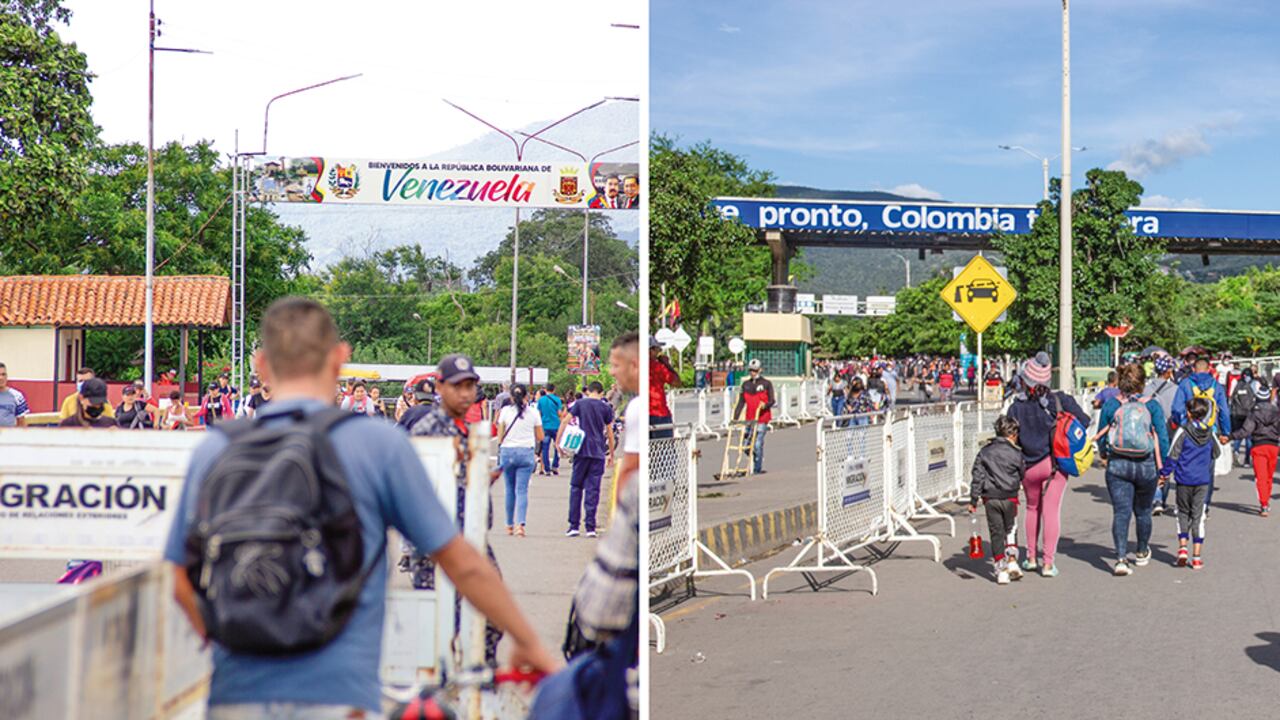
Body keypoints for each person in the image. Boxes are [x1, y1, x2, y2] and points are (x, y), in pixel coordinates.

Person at [165, 297, 557, 718]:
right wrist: (528, 640)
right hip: (342, 697)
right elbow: (463, 562)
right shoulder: (375, 445)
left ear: (261, 365)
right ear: (340, 358)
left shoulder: (215, 448)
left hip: (233, 695)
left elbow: (176, 577)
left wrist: (222, 636)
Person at [408, 353, 506, 666]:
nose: (465, 393)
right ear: (440, 387)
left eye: (470, 386)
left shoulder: (464, 428)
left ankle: (479, 680)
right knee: (438, 631)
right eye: (457, 386)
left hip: (472, 538)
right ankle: (440, 698)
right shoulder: (429, 429)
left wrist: (479, 481)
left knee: (492, 617)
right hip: (438, 546)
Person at [1005, 352, 1090, 578]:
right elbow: (1085, 421)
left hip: (1027, 467)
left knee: (1032, 509)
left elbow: (1009, 436)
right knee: (1051, 511)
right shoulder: (1060, 401)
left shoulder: (1016, 408)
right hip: (1054, 466)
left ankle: (1031, 558)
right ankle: (1048, 563)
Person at [1095, 363, 1170, 576]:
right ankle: (1141, 550)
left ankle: (1120, 558)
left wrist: (1104, 455)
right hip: (1146, 465)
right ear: (1143, 382)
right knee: (1143, 511)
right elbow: (1162, 439)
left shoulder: (1111, 405)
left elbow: (1102, 433)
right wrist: (1162, 467)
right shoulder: (1152, 406)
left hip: (1118, 464)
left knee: (1121, 512)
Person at [968, 415, 1027, 585]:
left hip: (990, 497)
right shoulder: (1016, 453)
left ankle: (1001, 570)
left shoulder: (985, 452)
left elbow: (977, 476)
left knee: (996, 532)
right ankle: (1012, 561)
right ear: (1013, 434)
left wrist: (973, 499)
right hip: (1010, 497)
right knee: (1011, 528)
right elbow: (1022, 472)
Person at [1161, 397, 1218, 569]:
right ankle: (1197, 556)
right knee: (1198, 516)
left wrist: (1164, 474)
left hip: (1184, 478)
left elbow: (1173, 455)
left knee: (1183, 513)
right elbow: (1217, 453)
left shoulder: (1183, 432)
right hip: (1202, 480)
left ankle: (1183, 548)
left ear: (1188, 413)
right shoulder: (1209, 433)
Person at [1170, 355, 1231, 512]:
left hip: (1188, 431)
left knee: (1184, 464)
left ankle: (1185, 504)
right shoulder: (1216, 386)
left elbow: (1176, 409)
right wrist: (1225, 432)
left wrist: (1183, 423)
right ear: (1209, 369)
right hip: (1209, 432)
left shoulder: (1185, 384)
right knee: (1207, 470)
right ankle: (1203, 505)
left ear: (1194, 369)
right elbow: (1224, 411)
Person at [561, 381, 615, 538]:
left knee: (576, 487)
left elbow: (565, 421)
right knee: (593, 490)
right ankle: (590, 527)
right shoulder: (606, 408)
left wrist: (559, 442)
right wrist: (611, 453)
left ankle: (573, 526)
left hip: (580, 451)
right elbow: (609, 432)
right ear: (601, 392)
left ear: (589, 391)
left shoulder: (579, 404)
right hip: (597, 452)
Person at [498, 384, 543, 536]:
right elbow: (540, 437)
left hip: (508, 452)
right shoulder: (534, 412)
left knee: (509, 489)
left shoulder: (505, 412)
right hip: (526, 453)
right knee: (522, 490)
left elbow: (500, 435)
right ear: (526, 397)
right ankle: (520, 526)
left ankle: (509, 525)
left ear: (511, 397)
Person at [1230, 382, 1280, 516]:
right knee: (1269, 476)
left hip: (1258, 446)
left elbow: (1245, 431)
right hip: (1274, 446)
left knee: (1261, 477)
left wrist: (1230, 437)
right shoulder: (1277, 412)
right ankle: (1266, 499)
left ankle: (1264, 504)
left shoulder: (1254, 413)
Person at [733, 358, 775, 475]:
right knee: (745, 444)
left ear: (760, 370)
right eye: (751, 370)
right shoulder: (746, 385)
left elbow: (772, 400)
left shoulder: (766, 384)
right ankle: (757, 456)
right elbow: (741, 402)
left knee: (757, 443)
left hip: (762, 418)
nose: (753, 373)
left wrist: (765, 405)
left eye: (755, 370)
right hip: (749, 419)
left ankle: (757, 468)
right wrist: (735, 418)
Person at [649, 337, 679, 439]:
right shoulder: (657, 367)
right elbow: (677, 382)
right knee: (664, 450)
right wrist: (667, 364)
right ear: (651, 350)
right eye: (657, 349)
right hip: (659, 414)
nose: (659, 353)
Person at [1229, 367, 1258, 466]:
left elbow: (1231, 397)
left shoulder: (1236, 383)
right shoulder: (1255, 384)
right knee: (1249, 437)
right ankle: (1246, 459)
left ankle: (1235, 453)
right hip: (1250, 414)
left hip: (1237, 413)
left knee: (1238, 434)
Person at [538, 382, 563, 476]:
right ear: (554, 389)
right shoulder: (557, 400)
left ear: (545, 390)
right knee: (557, 446)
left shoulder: (541, 400)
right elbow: (559, 413)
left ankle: (547, 469)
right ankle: (555, 466)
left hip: (544, 426)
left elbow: (539, 414)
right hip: (556, 426)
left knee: (545, 448)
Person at [0, 362, 30, 427]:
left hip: (8, 436)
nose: (1, 378)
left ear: (6, 376)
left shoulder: (17, 396)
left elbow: (22, 422)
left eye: (3, 374)